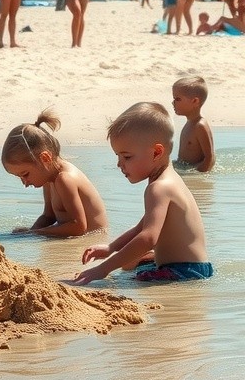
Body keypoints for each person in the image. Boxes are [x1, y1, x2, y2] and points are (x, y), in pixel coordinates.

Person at [74, 102, 212, 284]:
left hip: (183, 273)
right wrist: (110, 248)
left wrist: (102, 269)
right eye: (118, 156)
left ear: (156, 152)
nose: (119, 164)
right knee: (128, 264)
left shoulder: (158, 188)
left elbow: (147, 238)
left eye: (127, 157)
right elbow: (143, 227)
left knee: (131, 276)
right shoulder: (170, 179)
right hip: (194, 268)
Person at [1, 109, 108, 237]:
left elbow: (78, 226)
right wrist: (29, 232)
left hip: (91, 241)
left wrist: (36, 233)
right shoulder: (48, 178)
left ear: (45, 158)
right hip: (73, 237)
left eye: (25, 174)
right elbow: (48, 216)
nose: (24, 183)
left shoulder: (65, 179)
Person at [172, 75, 215, 172]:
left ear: (195, 101)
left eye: (177, 99)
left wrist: (194, 177)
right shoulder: (189, 123)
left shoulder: (200, 126)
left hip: (193, 173)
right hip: (184, 168)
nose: (173, 103)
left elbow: (210, 158)